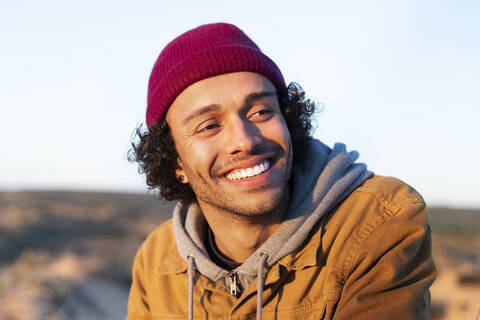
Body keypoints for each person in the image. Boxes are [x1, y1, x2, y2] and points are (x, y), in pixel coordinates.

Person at [126, 23, 436, 320]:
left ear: (287, 118)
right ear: (174, 161)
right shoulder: (157, 261)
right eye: (209, 126)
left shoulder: (378, 220)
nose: (245, 141)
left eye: (261, 111)